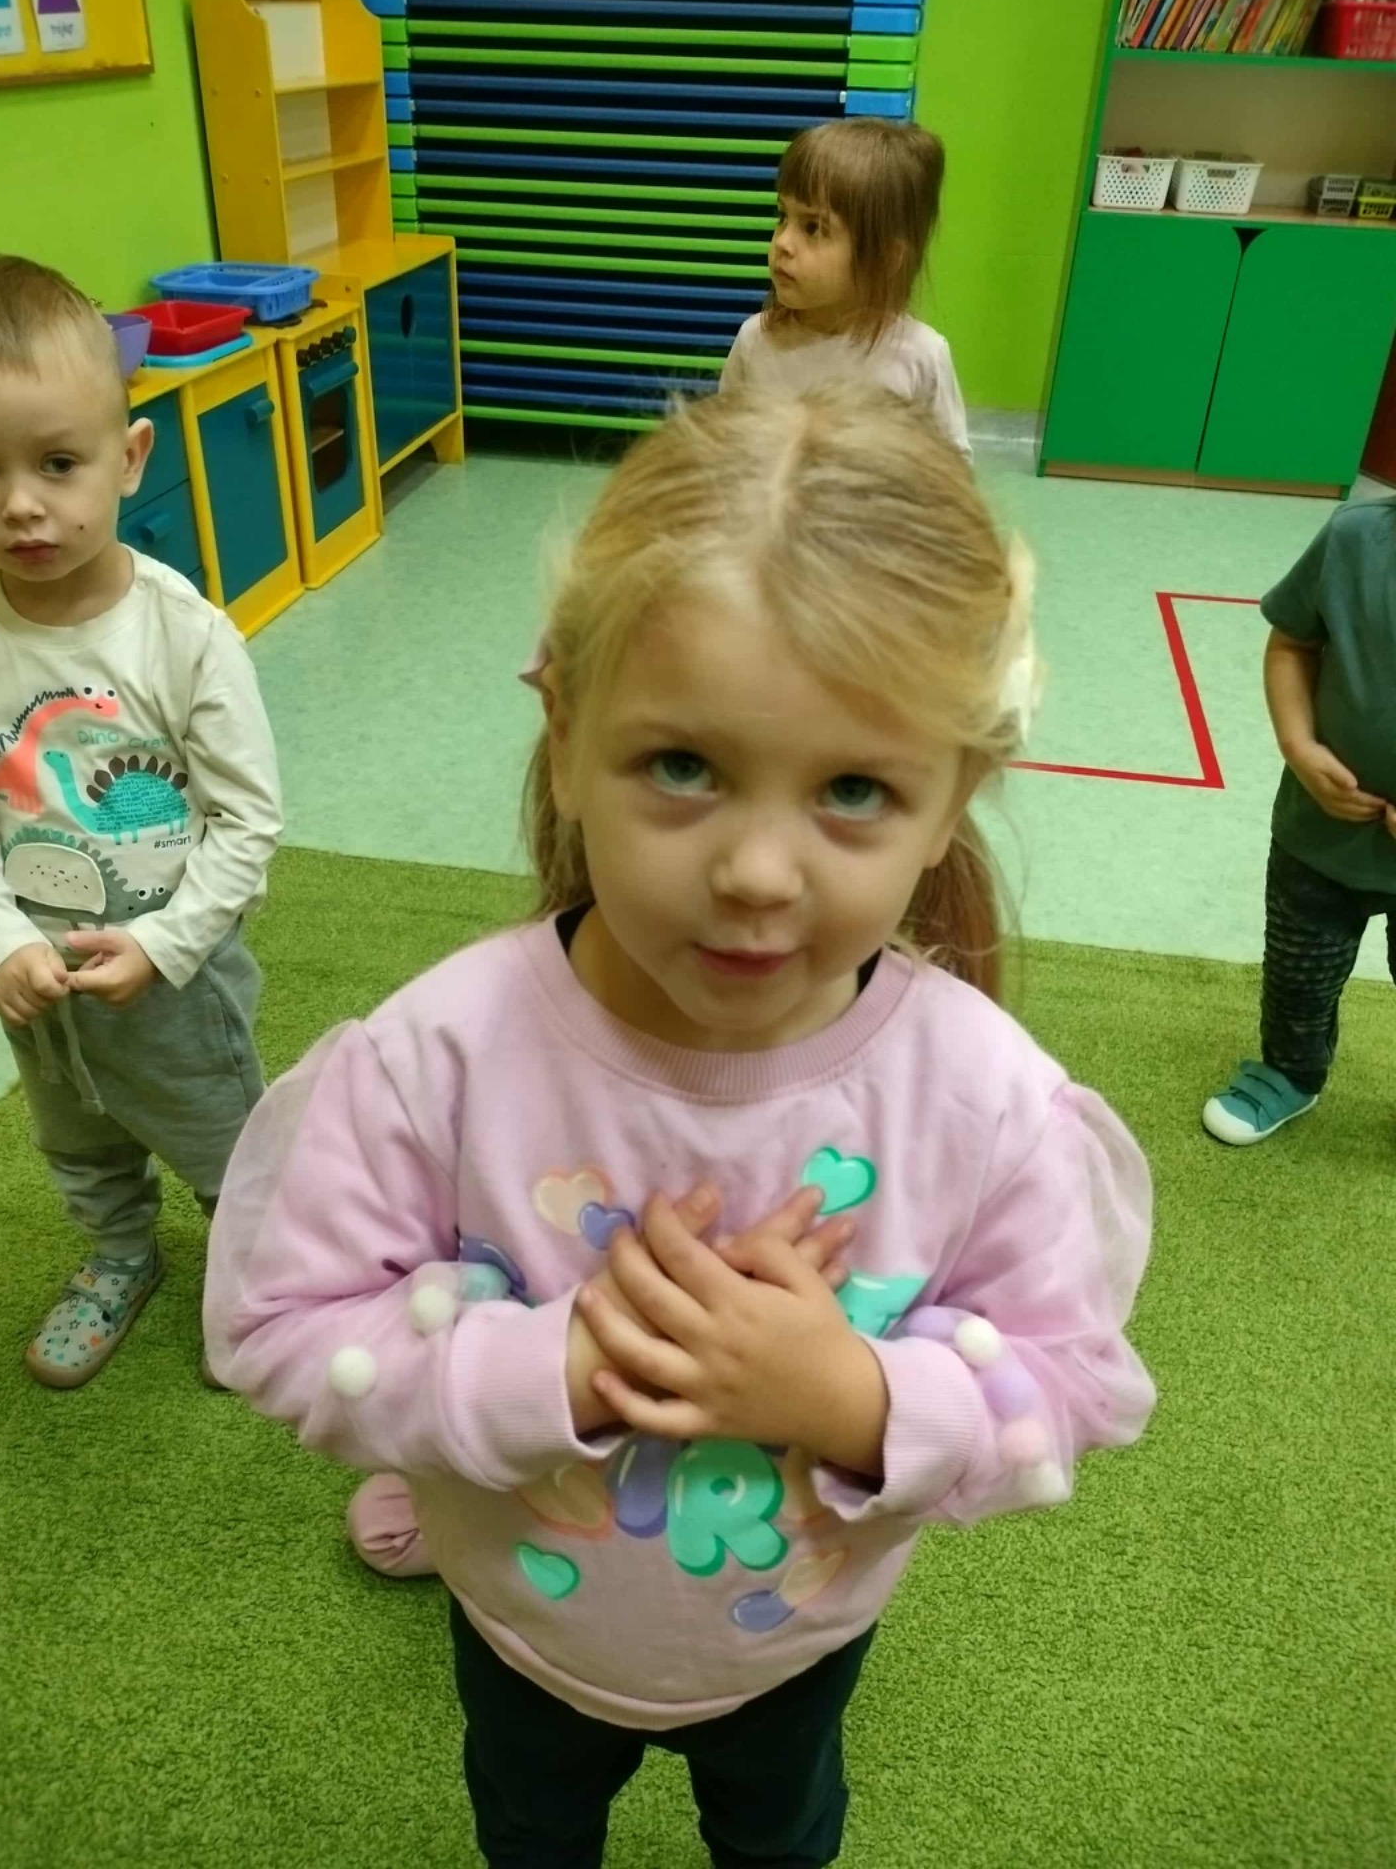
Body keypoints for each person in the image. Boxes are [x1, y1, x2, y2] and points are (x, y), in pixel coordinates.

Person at [204, 386, 1152, 1869]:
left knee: (779, 1832)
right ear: (566, 735)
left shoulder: (984, 1100)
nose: (758, 871)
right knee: (531, 1827)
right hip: (521, 1631)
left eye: (854, 789)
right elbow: (281, 1326)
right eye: (684, 768)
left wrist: (849, 1396)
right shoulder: (438, 1055)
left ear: (953, 795)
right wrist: (556, 1367)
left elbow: (1073, 1384)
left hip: (795, 1646)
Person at [0, 254, 282, 1386]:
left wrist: (165, 944)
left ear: (129, 456)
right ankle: (120, 1255)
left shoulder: (184, 635)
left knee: (227, 1144)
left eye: (57, 463)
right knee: (77, 1137)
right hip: (39, 981)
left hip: (175, 981)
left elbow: (248, 821)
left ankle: (261, 1278)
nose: (20, 504)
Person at [1204, 500, 1396, 1146]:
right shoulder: (1354, 537)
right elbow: (1292, 644)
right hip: (1321, 835)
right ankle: (1291, 1072)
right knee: (1298, 976)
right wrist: (1299, 746)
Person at [719, 118, 970, 458]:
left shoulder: (920, 357)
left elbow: (951, 470)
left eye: (813, 228)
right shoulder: (755, 342)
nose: (783, 242)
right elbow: (725, 450)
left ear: (884, 257)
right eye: (782, 217)